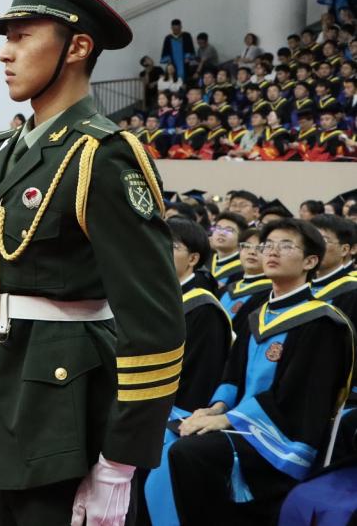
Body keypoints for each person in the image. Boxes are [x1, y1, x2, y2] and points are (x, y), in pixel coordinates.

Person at [0, 0, 185, 525]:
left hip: (69, 415)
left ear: (78, 47)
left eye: (22, 36)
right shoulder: (3, 152)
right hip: (6, 390)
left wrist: (119, 461)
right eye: (6, 38)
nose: (5, 52)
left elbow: (155, 322)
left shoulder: (103, 155)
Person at [161, 219, 353, 525]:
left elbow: (295, 395)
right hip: (242, 423)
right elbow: (232, 376)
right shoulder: (258, 316)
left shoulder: (322, 323)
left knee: (189, 454)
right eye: (268, 245)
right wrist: (215, 409)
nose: (272, 252)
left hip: (281, 437)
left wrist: (227, 420)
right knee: (168, 439)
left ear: (310, 261)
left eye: (286, 246)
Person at [142, 218, 232, 526]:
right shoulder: (153, 295)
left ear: (193, 258)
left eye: (171, 246)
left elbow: (200, 380)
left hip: (176, 411)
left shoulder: (203, 310)